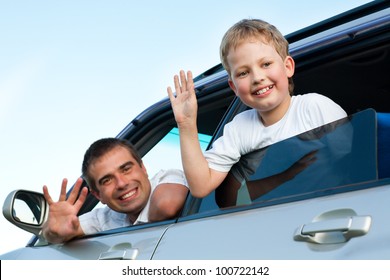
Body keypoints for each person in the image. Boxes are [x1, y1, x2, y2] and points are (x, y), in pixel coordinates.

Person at [167, 19, 347, 201]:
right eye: (243, 73)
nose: (257, 77)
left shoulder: (315, 107)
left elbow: (354, 160)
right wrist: (186, 124)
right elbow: (200, 186)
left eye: (266, 64)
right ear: (234, 87)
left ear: (288, 67)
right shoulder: (239, 128)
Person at [41, 138, 189, 244]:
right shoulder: (105, 218)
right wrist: (53, 232)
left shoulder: (167, 177)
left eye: (126, 169)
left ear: (143, 168)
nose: (122, 184)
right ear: (98, 195)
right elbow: (62, 231)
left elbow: (167, 206)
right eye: (107, 180)